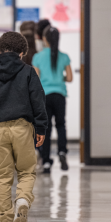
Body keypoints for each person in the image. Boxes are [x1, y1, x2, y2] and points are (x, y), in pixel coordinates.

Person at [0, 32, 48, 222]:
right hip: (23, 128)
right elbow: (38, 101)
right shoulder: (28, 72)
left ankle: (6, 221)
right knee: (26, 171)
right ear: (22, 53)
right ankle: (23, 199)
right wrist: (41, 127)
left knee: (3, 176)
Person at [32, 26, 73, 173]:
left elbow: (35, 79)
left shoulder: (38, 57)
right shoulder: (64, 56)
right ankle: (62, 152)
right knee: (61, 125)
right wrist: (58, 78)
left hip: (44, 97)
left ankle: (46, 162)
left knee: (46, 129)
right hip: (60, 95)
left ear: (44, 39)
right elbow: (69, 78)